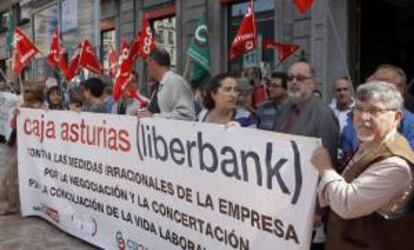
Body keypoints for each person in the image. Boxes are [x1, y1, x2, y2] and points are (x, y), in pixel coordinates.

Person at [311, 81, 414, 250]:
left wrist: (326, 168)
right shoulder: (370, 144)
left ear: (396, 117)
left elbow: (347, 204)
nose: (363, 117)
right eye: (358, 108)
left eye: (374, 110)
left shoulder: (396, 164)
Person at [273, 61, 339, 250]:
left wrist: (319, 210)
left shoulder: (323, 115)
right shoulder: (284, 110)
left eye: (301, 78)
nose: (294, 82)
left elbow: (327, 165)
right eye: (290, 78)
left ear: (313, 83)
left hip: (308, 205)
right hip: (282, 197)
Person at [340, 65, 414, 163]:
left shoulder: (410, 124)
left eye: (384, 83)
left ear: (400, 89)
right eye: (374, 82)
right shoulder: (356, 116)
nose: (365, 117)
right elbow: (347, 149)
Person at [1, 84, 45, 215]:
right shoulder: (23, 110)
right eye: (28, 100)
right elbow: (13, 126)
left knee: (19, 179)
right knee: (10, 179)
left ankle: (16, 205)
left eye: (32, 100)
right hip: (21, 150)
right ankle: (13, 204)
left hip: (37, 152)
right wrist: (16, 115)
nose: (30, 103)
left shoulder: (45, 110)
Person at [137, 48, 194, 120]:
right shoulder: (159, 86)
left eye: (147, 65)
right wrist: (143, 113)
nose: (147, 69)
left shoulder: (176, 82)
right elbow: (155, 112)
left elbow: (186, 115)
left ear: (152, 62)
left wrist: (153, 117)